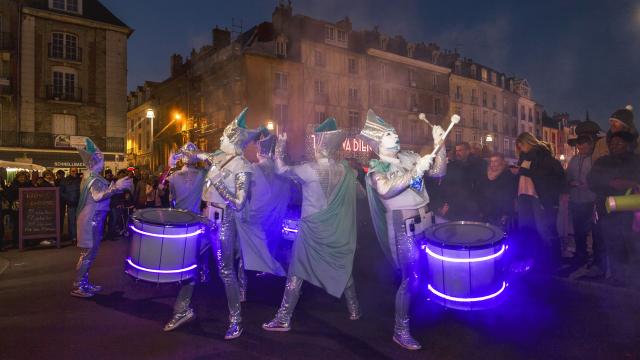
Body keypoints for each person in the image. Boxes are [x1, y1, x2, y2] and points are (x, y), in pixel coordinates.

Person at [262, 117, 361, 334]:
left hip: (311, 229)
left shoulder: (309, 169)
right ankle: (354, 309)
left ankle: (283, 318)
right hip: (334, 229)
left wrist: (280, 144)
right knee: (341, 267)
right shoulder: (345, 171)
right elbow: (358, 194)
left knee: (296, 273)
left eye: (316, 142)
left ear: (320, 145)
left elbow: (280, 169)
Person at [361, 109, 446, 350]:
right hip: (403, 226)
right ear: (378, 141)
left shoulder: (409, 156)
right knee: (411, 278)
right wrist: (416, 171)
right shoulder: (377, 170)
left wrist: (441, 146)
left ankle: (424, 313)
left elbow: (439, 172)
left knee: (427, 272)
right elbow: (386, 190)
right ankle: (400, 330)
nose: (394, 135)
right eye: (388, 133)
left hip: (426, 220)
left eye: (394, 131)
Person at [71, 138, 131, 298]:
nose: (103, 164)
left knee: (90, 253)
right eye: (101, 161)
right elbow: (98, 197)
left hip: (94, 218)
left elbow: (103, 194)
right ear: (94, 163)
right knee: (88, 254)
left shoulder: (92, 178)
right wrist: (116, 187)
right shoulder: (92, 179)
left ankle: (83, 282)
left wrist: (116, 188)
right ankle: (79, 285)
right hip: (92, 219)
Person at [234, 128, 289, 292]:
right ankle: (268, 278)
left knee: (245, 249)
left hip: (256, 218)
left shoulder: (254, 168)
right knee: (267, 249)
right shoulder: (281, 170)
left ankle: (242, 290)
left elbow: (241, 191)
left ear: (260, 151)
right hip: (274, 218)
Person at [588, 131, 640, 288]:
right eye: (612, 143)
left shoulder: (636, 161)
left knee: (633, 246)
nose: (614, 146)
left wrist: (630, 183)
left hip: (632, 213)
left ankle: (634, 279)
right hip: (608, 211)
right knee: (613, 245)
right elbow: (592, 180)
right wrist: (610, 183)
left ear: (628, 144)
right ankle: (618, 277)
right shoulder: (602, 162)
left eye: (619, 143)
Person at [515, 132, 566, 273]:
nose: (521, 148)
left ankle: (552, 261)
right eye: (519, 146)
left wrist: (524, 171)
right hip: (525, 195)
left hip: (539, 196)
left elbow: (546, 175)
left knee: (544, 228)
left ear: (529, 142)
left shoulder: (542, 156)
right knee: (527, 227)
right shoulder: (523, 157)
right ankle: (536, 258)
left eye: (522, 145)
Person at [566, 121, 601, 270]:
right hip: (575, 200)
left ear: (591, 146)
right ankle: (580, 254)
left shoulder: (595, 160)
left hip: (590, 200)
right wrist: (571, 183)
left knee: (592, 229)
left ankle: (592, 256)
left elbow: (599, 180)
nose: (581, 149)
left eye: (584, 146)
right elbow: (567, 177)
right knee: (578, 230)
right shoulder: (573, 160)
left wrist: (590, 185)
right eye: (579, 146)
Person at [439, 142, 485, 221]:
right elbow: (445, 185)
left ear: (467, 151)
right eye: (456, 151)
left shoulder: (477, 165)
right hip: (454, 206)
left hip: (471, 207)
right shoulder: (451, 166)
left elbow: (480, 186)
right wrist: (445, 202)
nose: (457, 153)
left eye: (460, 150)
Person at [478, 153, 518, 229]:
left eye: (496, 161)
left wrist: (506, 213)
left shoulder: (508, 175)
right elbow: (480, 192)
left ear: (502, 162)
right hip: (486, 212)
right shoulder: (485, 175)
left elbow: (509, 196)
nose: (493, 164)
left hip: (500, 213)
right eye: (491, 161)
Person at [5, 171, 33, 249]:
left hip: (26, 208)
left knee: (26, 225)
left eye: (23, 177)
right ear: (17, 178)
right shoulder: (13, 185)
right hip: (15, 210)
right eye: (20, 177)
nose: (22, 178)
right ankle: (16, 242)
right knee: (17, 225)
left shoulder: (28, 185)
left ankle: (26, 241)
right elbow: (9, 196)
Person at [60, 168, 81, 243]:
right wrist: (68, 198)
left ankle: (78, 236)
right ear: (70, 171)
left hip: (80, 203)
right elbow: (61, 192)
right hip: (71, 203)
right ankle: (73, 237)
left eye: (75, 171)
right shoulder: (65, 180)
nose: (74, 172)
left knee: (80, 221)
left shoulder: (80, 180)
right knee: (72, 221)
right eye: (72, 171)